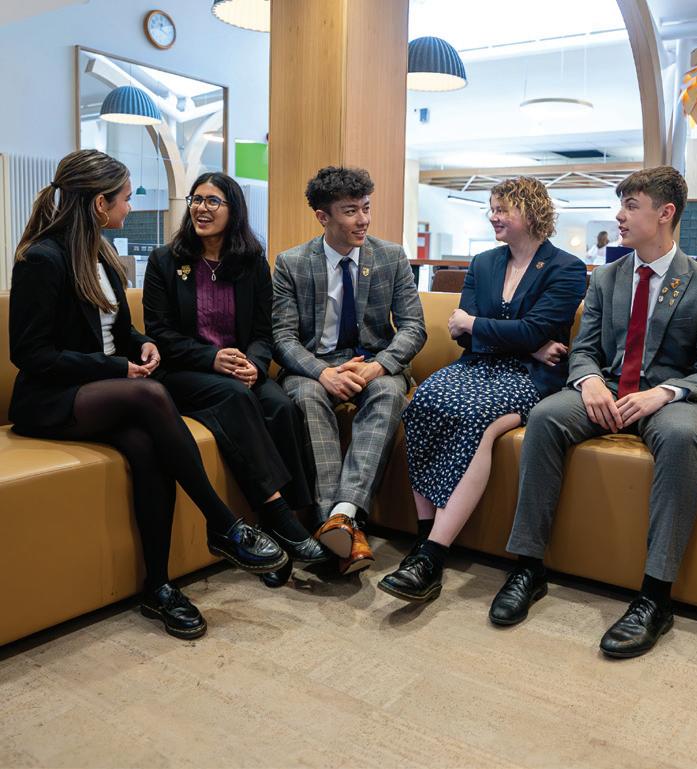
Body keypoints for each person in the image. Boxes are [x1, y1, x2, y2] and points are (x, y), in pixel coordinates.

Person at [9, 150, 287, 640]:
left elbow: (119, 330)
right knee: (150, 395)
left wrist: (143, 344)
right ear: (100, 203)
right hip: (51, 399)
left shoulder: (102, 255)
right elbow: (30, 354)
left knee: (147, 448)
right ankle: (223, 523)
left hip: (103, 392)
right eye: (125, 197)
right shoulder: (42, 259)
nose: (131, 206)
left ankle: (157, 588)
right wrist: (119, 368)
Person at [489, 166, 697, 658]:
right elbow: (583, 348)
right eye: (621, 205)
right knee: (546, 416)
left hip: (667, 400)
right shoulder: (607, 276)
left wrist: (665, 393)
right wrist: (587, 382)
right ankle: (528, 567)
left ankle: (656, 596)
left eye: (631, 206)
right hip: (606, 388)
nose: (619, 216)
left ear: (665, 213)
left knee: (681, 437)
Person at [378, 177, 586, 602]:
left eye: (502, 209)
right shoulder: (484, 263)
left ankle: (433, 555)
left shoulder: (566, 268)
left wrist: (484, 327)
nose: (493, 216)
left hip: (529, 376)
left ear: (530, 212)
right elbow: (463, 336)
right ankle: (423, 536)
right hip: (477, 364)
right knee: (423, 402)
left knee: (477, 419)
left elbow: (511, 327)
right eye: (491, 208)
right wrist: (526, 341)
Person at [143, 172, 326, 589]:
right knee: (234, 397)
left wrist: (255, 366)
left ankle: (291, 522)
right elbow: (160, 333)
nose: (201, 208)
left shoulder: (252, 263)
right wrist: (213, 358)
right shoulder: (165, 261)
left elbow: (263, 332)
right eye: (196, 199)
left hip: (241, 369)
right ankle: (281, 521)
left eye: (213, 201)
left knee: (281, 405)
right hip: (185, 373)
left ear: (233, 210)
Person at [272, 166, 427, 575]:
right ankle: (342, 525)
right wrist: (322, 373)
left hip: (373, 363)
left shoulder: (390, 256)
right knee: (306, 397)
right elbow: (283, 338)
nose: (363, 220)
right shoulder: (291, 263)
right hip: (315, 366)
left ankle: (340, 515)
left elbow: (413, 327)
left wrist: (379, 366)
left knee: (390, 393)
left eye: (366, 208)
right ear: (323, 217)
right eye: (350, 211)